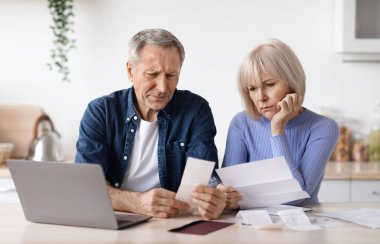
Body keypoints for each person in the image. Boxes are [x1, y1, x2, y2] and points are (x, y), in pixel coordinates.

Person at [75, 28, 226, 219]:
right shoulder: (101, 112)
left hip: (173, 221)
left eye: (171, 75)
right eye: (152, 74)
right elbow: (84, 186)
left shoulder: (196, 110)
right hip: (114, 219)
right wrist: (137, 202)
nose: (163, 88)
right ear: (130, 71)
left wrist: (213, 198)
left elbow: (206, 179)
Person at [220, 39, 339, 209]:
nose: (260, 97)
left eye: (269, 85)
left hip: (302, 227)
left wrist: (277, 128)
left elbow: (296, 196)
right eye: (252, 88)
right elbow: (230, 192)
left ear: (292, 82)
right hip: (249, 224)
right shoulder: (241, 123)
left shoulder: (323, 128)